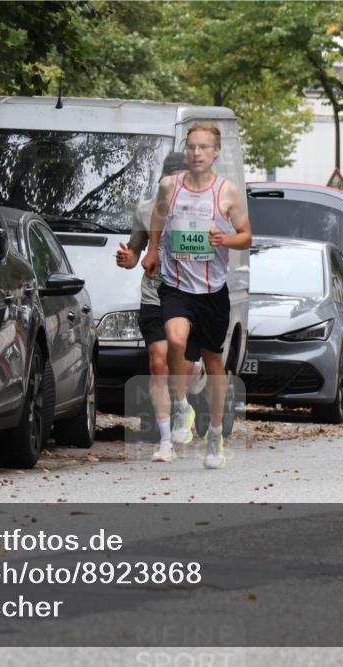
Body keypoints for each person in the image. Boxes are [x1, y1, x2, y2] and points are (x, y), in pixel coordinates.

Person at [143, 123, 252, 469]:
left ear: (216, 152)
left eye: (204, 147)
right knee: (175, 340)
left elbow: (246, 236)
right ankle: (181, 407)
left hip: (212, 291)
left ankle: (215, 436)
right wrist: (153, 250)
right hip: (176, 286)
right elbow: (158, 215)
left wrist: (224, 239)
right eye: (191, 147)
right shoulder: (169, 186)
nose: (196, 153)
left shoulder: (228, 192)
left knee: (214, 364)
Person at [115, 152, 200, 462]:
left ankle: (184, 404)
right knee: (158, 362)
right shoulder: (145, 210)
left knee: (183, 364)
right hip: (154, 295)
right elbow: (134, 253)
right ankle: (165, 442)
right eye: (170, 181)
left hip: (190, 295)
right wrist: (127, 258)